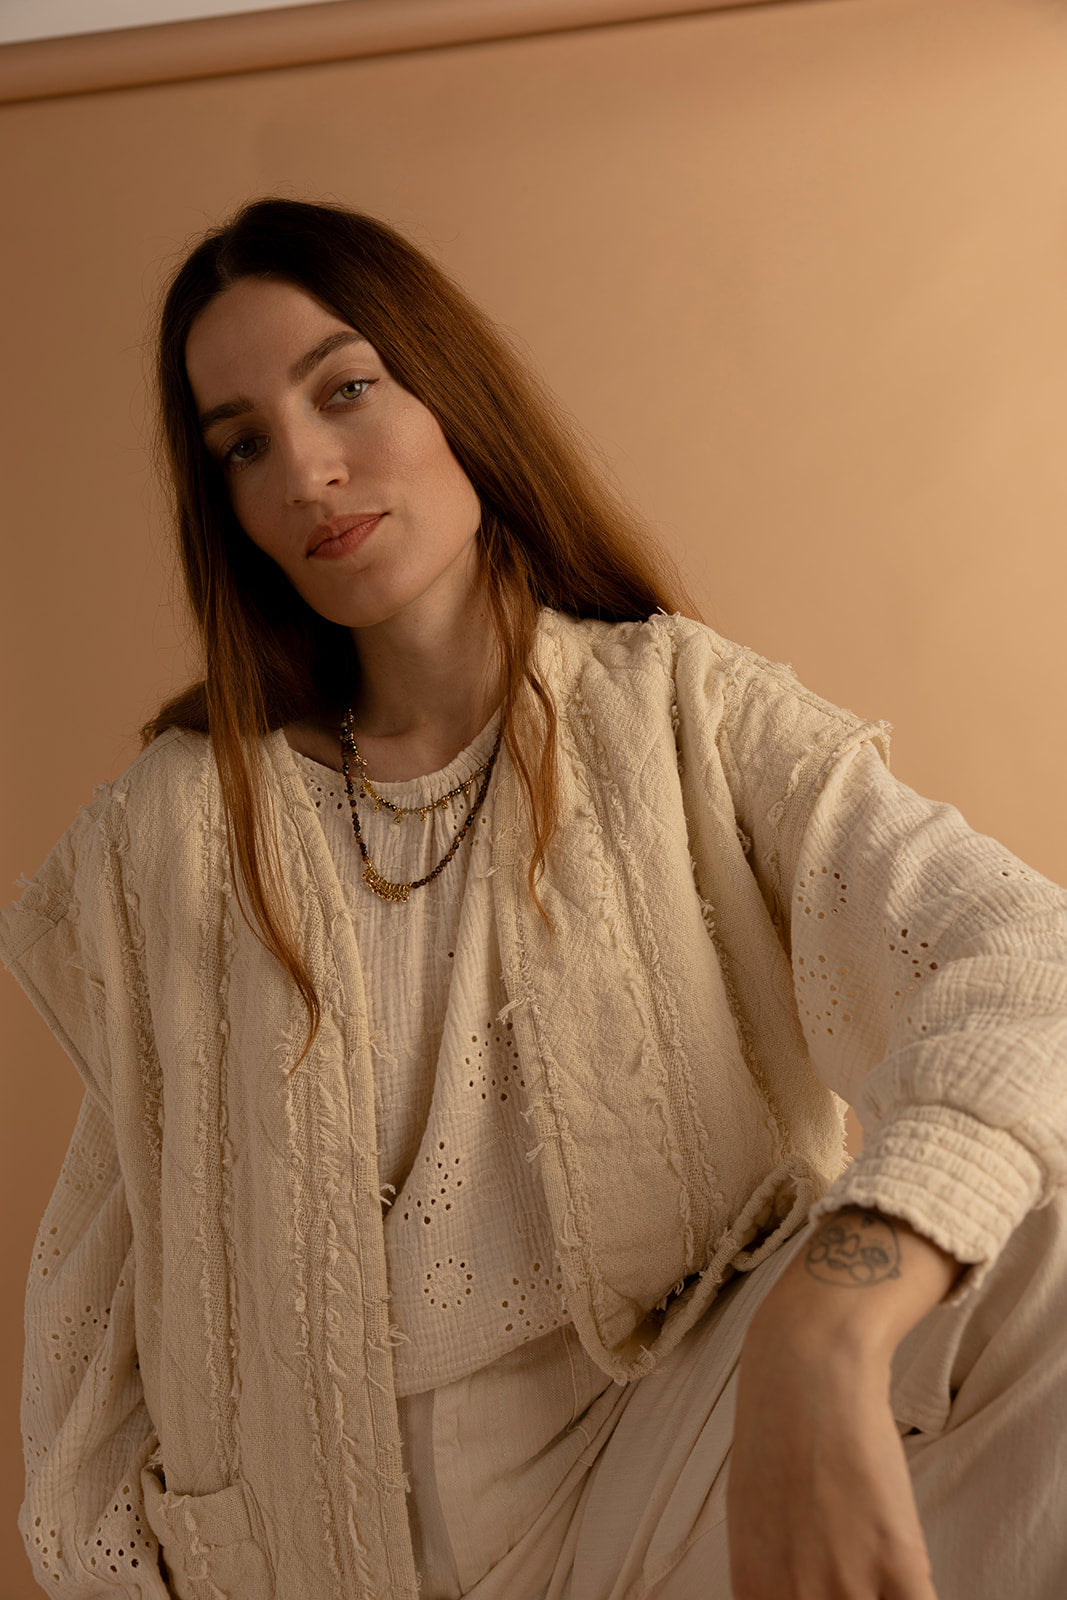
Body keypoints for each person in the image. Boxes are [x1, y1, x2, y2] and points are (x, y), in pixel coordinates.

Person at [2, 196, 1065, 1600]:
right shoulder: (176, 829)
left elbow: (1028, 964)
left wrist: (832, 1316)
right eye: (243, 445)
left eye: (346, 388)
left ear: (450, 391)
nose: (306, 470)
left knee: (1039, 1222)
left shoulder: (679, 709)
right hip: (328, 1556)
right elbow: (96, 1329)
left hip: (671, 1470)